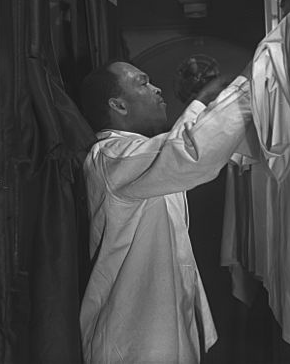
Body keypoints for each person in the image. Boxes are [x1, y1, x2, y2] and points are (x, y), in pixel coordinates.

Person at [79, 60, 255, 364]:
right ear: (118, 105)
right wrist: (237, 84)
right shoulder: (110, 156)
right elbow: (188, 152)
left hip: (161, 334)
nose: (156, 88)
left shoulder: (137, 154)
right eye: (143, 82)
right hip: (132, 343)